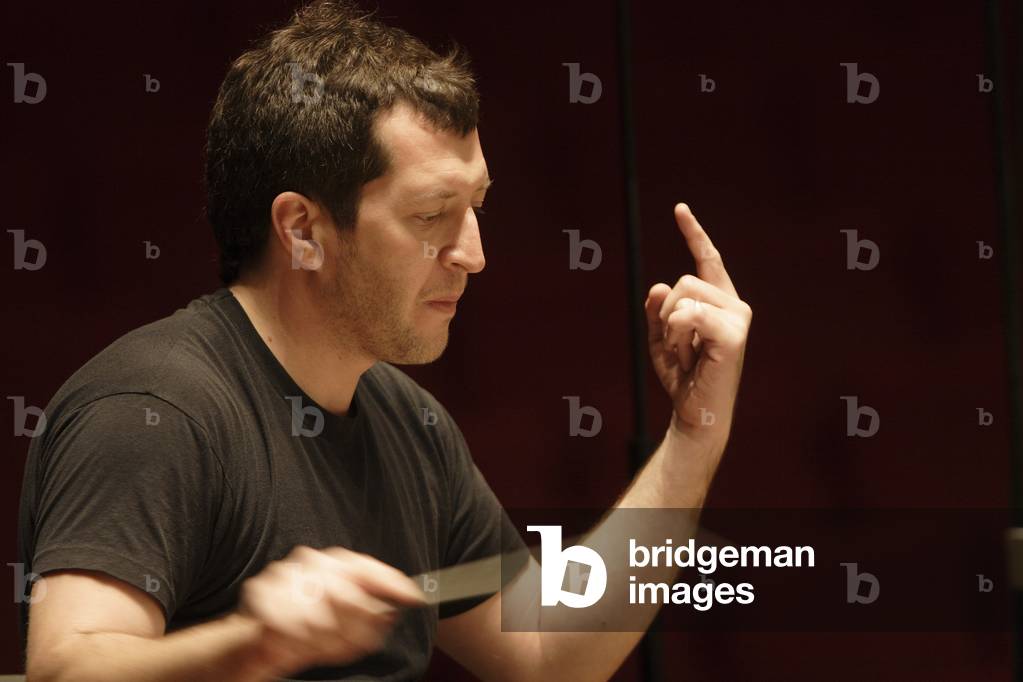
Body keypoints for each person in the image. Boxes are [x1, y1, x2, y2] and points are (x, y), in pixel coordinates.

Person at [18, 1, 752, 680]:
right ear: (303, 231)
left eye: (476, 207)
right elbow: (66, 668)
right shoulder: (156, 410)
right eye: (432, 213)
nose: (473, 254)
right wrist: (250, 644)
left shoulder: (407, 421)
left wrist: (694, 435)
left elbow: (542, 652)